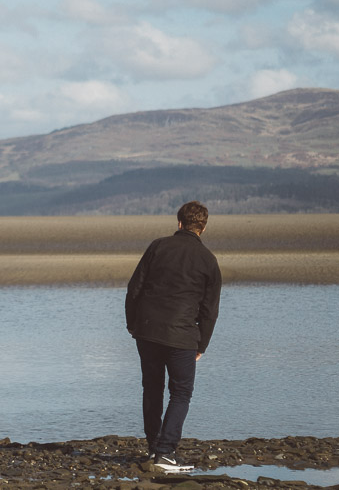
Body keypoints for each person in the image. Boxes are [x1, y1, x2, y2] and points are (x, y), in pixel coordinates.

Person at [125, 201, 222, 473]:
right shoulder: (208, 260)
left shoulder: (157, 246)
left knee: (152, 389)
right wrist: (201, 344)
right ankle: (165, 452)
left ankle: (155, 447)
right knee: (181, 393)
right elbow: (210, 310)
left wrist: (133, 325)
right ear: (203, 227)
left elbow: (135, 288)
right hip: (181, 336)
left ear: (179, 223)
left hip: (148, 330)